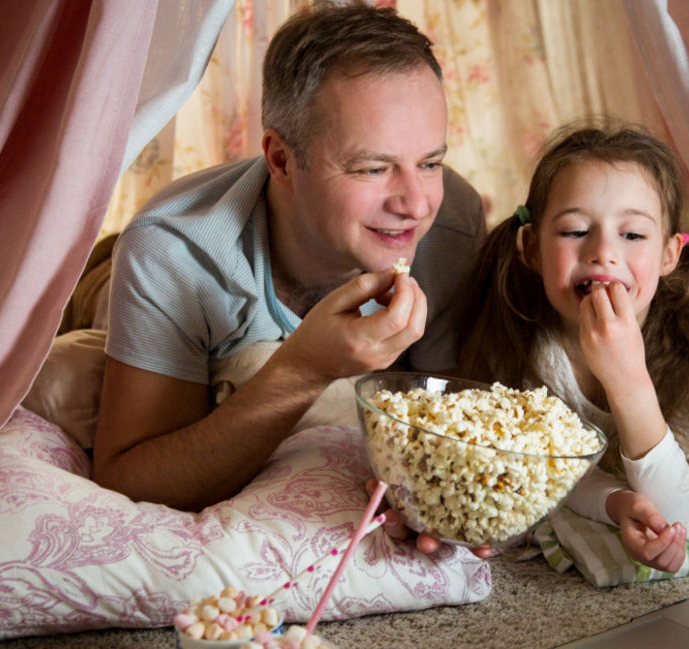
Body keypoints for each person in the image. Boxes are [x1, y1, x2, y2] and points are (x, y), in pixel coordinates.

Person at [93, 2, 486, 529]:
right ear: (280, 160)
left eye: (430, 163)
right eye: (373, 167)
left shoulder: (451, 222)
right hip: (100, 282)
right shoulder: (171, 251)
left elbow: (441, 424)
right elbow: (127, 479)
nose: (416, 204)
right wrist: (305, 369)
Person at [454, 121, 689, 573]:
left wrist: (627, 376)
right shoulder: (523, 346)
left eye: (632, 235)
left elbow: (677, 513)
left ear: (669, 255)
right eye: (575, 231)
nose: (603, 252)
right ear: (532, 249)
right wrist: (615, 502)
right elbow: (544, 471)